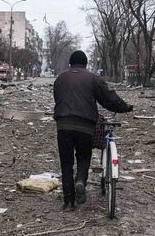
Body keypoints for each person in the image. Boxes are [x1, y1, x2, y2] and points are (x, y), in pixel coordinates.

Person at [53, 50, 133, 211]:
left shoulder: (60, 78)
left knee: (66, 162)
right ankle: (80, 181)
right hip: (85, 125)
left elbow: (58, 98)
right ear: (86, 64)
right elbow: (109, 99)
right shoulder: (93, 79)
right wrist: (125, 107)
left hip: (63, 125)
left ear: (70, 63)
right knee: (83, 157)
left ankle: (68, 201)